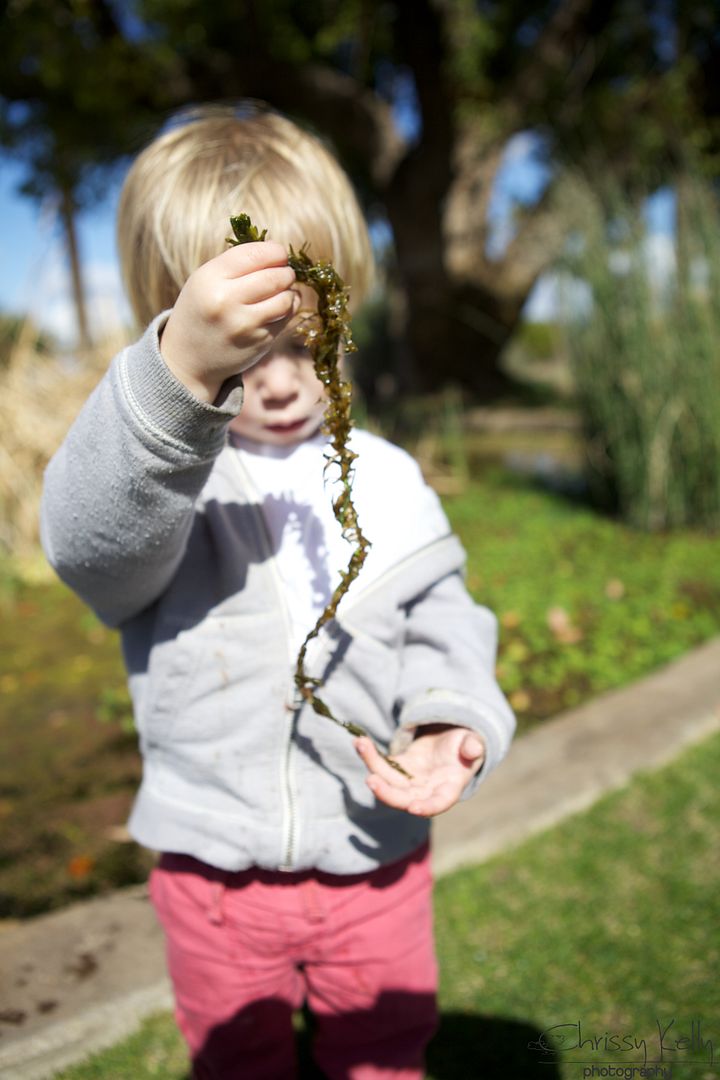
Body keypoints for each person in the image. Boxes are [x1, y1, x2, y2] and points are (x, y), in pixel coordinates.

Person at [41, 104, 515, 1080]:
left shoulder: (382, 476)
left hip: (373, 855)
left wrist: (449, 716)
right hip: (213, 875)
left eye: (313, 342)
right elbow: (90, 551)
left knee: (383, 1058)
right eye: (247, 351)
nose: (286, 382)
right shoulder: (162, 473)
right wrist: (177, 389)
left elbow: (444, 618)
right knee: (237, 1064)